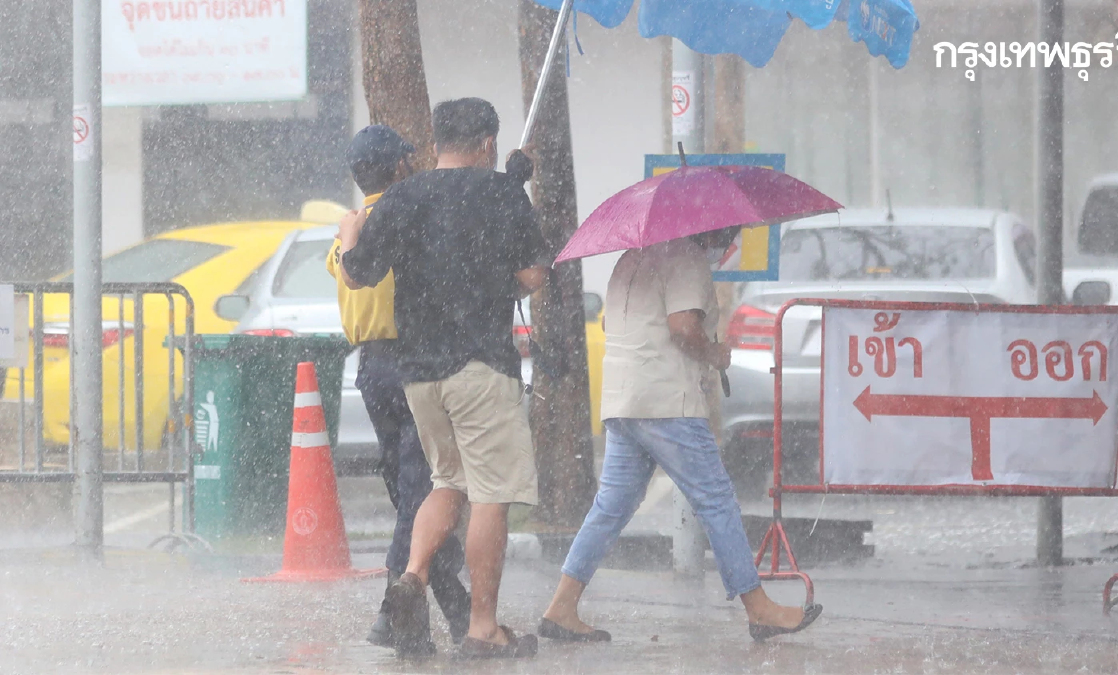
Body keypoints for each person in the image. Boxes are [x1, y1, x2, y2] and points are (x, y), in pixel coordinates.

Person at [537, 227, 823, 644]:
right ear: (715, 233)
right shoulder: (686, 257)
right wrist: (715, 353)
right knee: (716, 498)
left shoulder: (631, 258)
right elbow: (683, 328)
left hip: (625, 401)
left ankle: (562, 606)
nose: (730, 248)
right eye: (730, 239)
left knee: (612, 506)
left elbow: (627, 323)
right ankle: (759, 608)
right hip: (667, 400)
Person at [338, 98, 548, 660]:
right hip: (480, 368)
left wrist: (350, 234)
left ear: (435, 144)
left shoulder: (403, 196)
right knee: (491, 495)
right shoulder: (501, 194)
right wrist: (503, 266)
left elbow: (358, 274)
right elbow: (533, 274)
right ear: (487, 144)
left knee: (446, 483)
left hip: (419, 374)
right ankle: (483, 629)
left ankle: (411, 576)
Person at [327, 124, 471, 649]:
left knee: (409, 490)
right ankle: (394, 612)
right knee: (421, 492)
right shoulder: (410, 219)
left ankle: (455, 613)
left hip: (372, 369)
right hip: (415, 362)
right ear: (399, 166)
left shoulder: (346, 232)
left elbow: (347, 276)